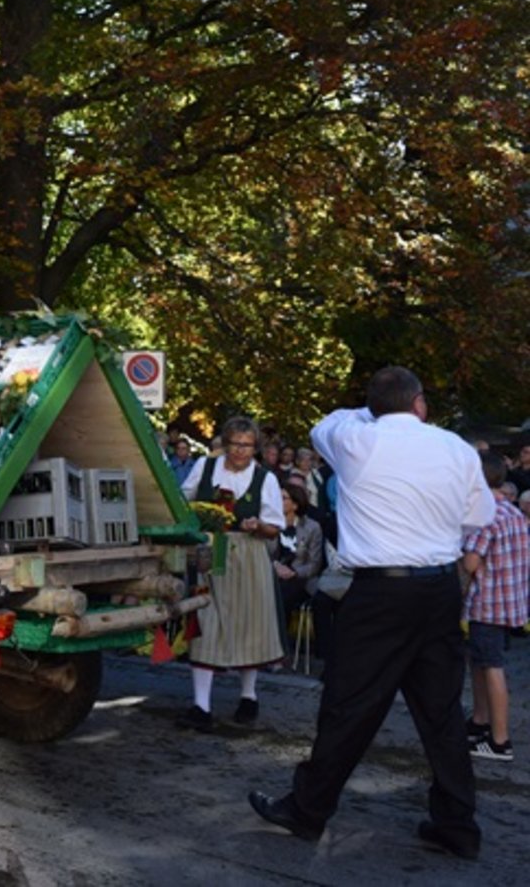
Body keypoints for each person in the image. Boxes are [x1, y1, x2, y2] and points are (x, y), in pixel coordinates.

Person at [249, 366, 495, 861]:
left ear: (374, 407)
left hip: (381, 592)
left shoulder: (356, 438)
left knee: (349, 702)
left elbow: (323, 426)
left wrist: (377, 410)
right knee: (442, 710)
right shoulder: (454, 447)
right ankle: (457, 824)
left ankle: (308, 809)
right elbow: (479, 516)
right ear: (420, 402)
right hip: (438, 587)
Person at [177, 416, 285, 731]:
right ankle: (201, 706)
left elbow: (275, 527)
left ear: (255, 448)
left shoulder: (265, 479)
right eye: (235, 444)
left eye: (247, 445)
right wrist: (197, 520)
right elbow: (182, 502)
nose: (240, 451)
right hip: (210, 552)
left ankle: (248, 696)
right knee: (205, 620)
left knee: (249, 622)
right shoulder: (204, 467)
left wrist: (258, 525)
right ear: (225, 444)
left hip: (249, 553)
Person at [461, 450, 529, 762]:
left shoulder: (484, 515)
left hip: (487, 603)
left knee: (491, 667)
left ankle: (500, 739)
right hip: (510, 603)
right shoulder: (513, 512)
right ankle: (480, 721)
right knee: (481, 662)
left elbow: (471, 563)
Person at [270, 481, 325, 655]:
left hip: (301, 579)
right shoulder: (270, 525)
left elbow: (314, 564)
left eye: (283, 498)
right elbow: (265, 553)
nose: (277, 501)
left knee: (283, 594)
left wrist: (293, 573)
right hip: (273, 574)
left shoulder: (312, 527)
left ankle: (279, 647)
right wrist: (275, 566)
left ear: (295, 504)